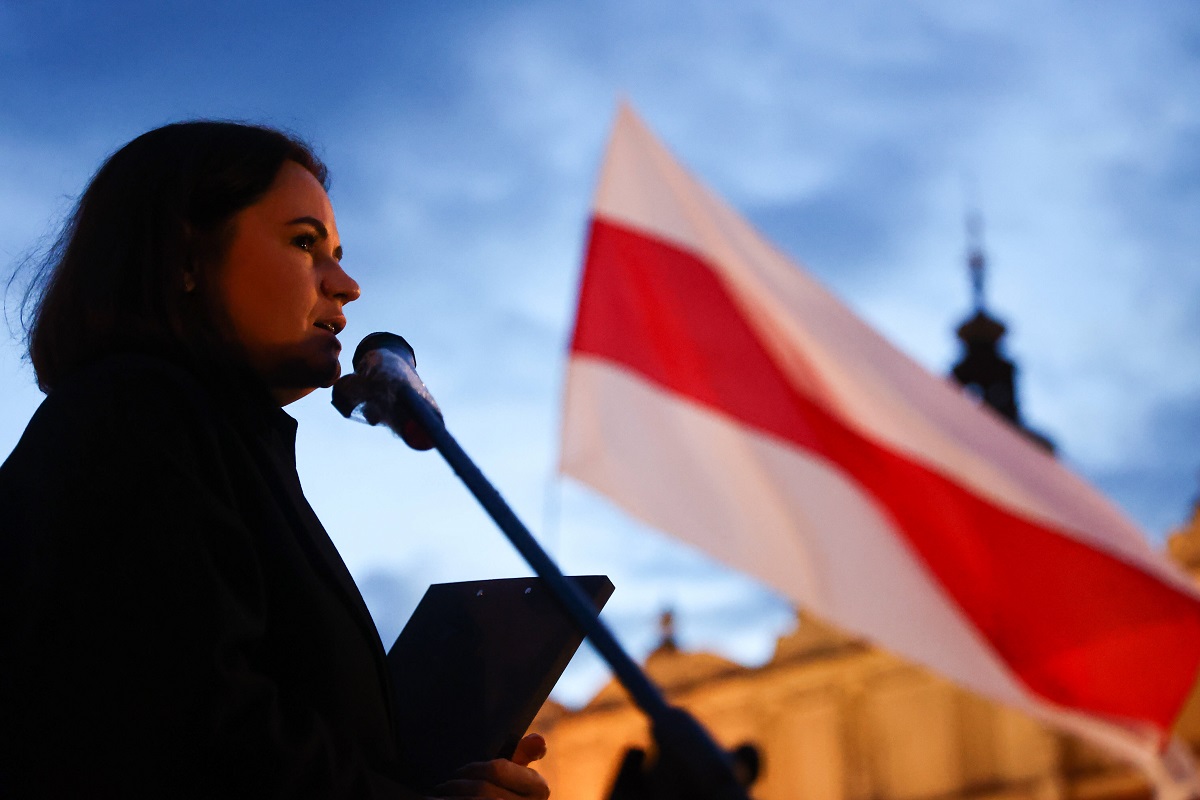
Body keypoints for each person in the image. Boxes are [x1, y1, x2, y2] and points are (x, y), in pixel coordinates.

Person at [0, 121, 551, 799]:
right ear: (184, 260)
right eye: (304, 243)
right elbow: (189, 733)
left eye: (337, 253)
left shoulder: (219, 439)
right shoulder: (133, 413)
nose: (347, 285)